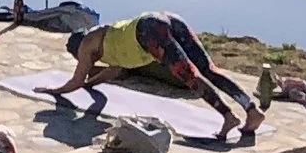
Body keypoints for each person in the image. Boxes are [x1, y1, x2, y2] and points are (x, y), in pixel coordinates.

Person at [55, 13, 263, 141]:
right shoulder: (111, 45)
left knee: (190, 76)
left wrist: (54, 91)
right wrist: (91, 85)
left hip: (149, 31)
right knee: (209, 70)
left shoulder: (85, 44)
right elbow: (113, 71)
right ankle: (251, 109)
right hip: (164, 19)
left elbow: (76, 80)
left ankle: (228, 116)